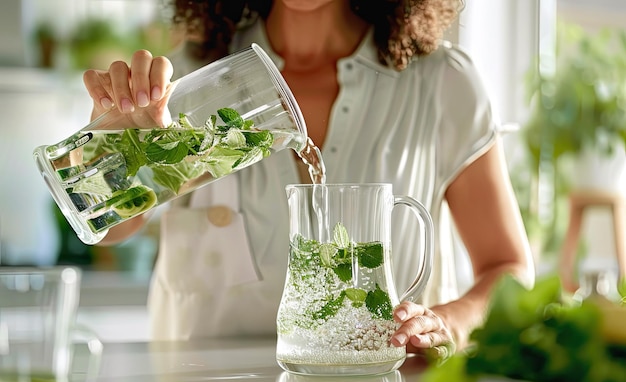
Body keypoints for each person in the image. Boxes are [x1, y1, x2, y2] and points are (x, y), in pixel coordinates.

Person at [82, 0, 535, 359]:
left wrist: (447, 323)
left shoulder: (441, 82)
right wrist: (112, 145)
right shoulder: (187, 80)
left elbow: (509, 270)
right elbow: (109, 227)